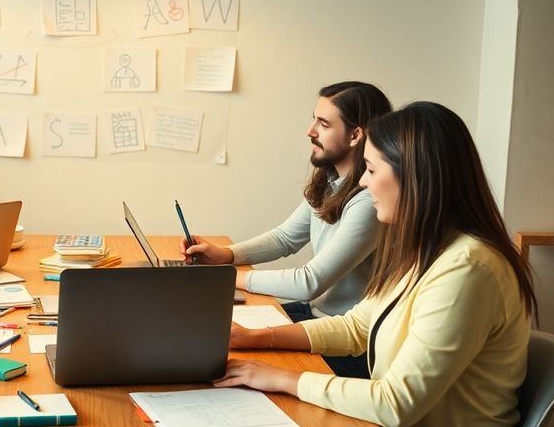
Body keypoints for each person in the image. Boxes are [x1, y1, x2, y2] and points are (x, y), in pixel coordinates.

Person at [213, 102, 537, 426]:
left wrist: (281, 379)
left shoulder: (468, 269)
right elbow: (356, 326)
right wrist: (261, 337)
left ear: (413, 176)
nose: (364, 184)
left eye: (370, 169)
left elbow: (396, 405)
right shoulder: (429, 250)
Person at [182, 81, 391, 378]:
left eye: (323, 123)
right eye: (313, 118)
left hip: (347, 342)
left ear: (356, 135)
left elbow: (309, 282)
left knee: (222, 360)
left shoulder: (368, 202)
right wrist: (224, 255)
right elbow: (285, 238)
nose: (310, 131)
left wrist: (227, 277)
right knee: (210, 334)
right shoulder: (331, 181)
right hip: (315, 317)